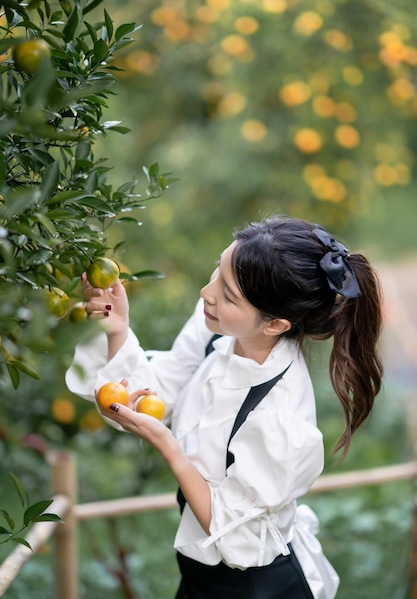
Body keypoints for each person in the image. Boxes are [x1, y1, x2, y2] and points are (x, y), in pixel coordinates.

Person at [66, 215, 383, 599]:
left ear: (275, 324)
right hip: (202, 578)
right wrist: (118, 328)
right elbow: (155, 394)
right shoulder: (214, 330)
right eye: (218, 270)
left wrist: (169, 447)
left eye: (229, 294)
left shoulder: (279, 416)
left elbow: (234, 537)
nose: (206, 292)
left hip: (254, 585)